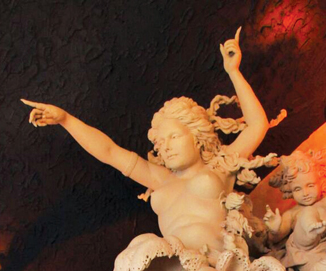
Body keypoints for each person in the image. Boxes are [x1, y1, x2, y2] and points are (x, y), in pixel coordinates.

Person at [21, 28, 271, 254]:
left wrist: (233, 72)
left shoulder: (220, 165)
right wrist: (66, 119)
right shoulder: (160, 178)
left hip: (218, 262)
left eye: (173, 137)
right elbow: (109, 152)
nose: (166, 147)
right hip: (175, 264)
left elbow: (257, 126)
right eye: (160, 144)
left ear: (197, 138)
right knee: (138, 247)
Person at [264, 148, 326, 271]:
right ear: (290, 190)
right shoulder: (292, 213)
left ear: (321, 183)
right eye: (297, 189)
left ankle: (314, 229)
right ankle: (311, 230)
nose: (305, 193)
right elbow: (276, 237)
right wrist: (275, 229)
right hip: (305, 252)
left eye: (310, 185)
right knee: (308, 212)